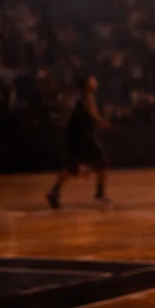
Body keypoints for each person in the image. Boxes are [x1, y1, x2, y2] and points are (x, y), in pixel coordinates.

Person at [47, 75, 110, 209]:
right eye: (92, 80)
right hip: (81, 136)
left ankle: (55, 191)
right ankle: (99, 193)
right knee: (98, 163)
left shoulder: (84, 98)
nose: (95, 81)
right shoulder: (87, 98)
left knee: (76, 166)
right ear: (87, 84)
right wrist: (105, 123)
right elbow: (93, 115)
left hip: (77, 136)